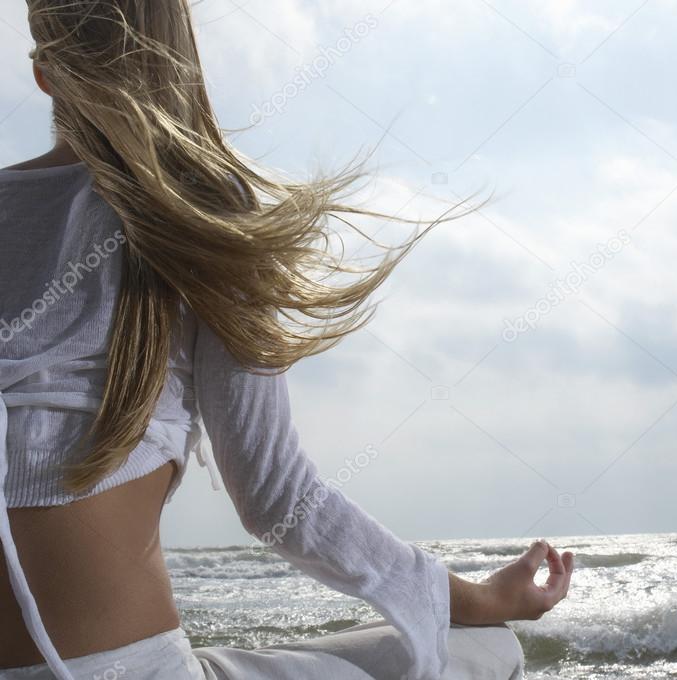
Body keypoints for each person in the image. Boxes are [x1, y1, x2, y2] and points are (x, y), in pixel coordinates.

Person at [0, 1, 574, 678]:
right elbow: (277, 498)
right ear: (183, 64)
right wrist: (478, 596)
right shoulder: (205, 212)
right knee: (486, 648)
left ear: (44, 75)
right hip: (136, 669)